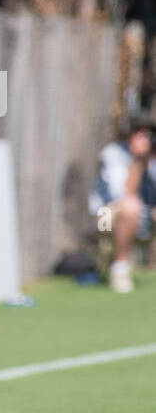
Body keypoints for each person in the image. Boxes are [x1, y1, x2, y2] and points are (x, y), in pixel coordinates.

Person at [89, 112, 156, 293]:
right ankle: (120, 269)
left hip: (142, 218)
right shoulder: (114, 153)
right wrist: (138, 161)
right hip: (105, 219)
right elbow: (123, 195)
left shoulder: (152, 158)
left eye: (149, 133)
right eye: (140, 132)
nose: (145, 137)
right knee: (130, 206)